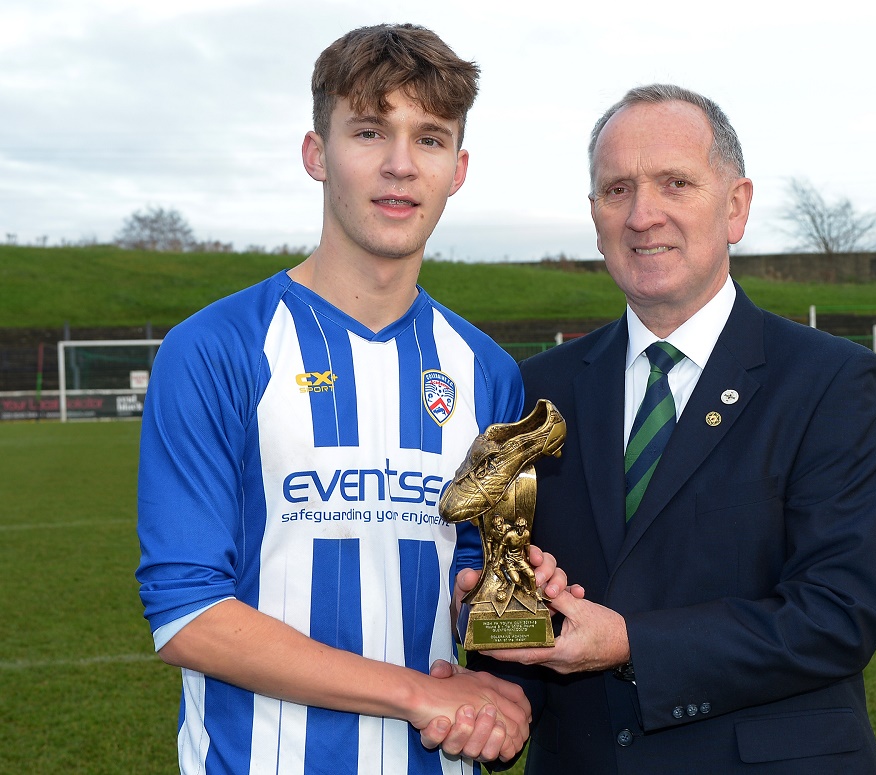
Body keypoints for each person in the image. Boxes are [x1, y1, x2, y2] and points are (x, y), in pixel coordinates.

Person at [135, 23, 571, 774]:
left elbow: (470, 581)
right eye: (370, 131)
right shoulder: (216, 349)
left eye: (429, 138)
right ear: (317, 153)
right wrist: (415, 694)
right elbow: (189, 615)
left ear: (458, 168)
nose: (400, 165)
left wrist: (506, 601)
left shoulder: (488, 372)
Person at [479, 84, 876, 773]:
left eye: (675, 182)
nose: (643, 214)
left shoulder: (831, 382)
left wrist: (629, 642)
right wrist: (500, 676)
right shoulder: (538, 389)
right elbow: (530, 600)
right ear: (595, 216)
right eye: (617, 190)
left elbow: (837, 614)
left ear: (735, 206)